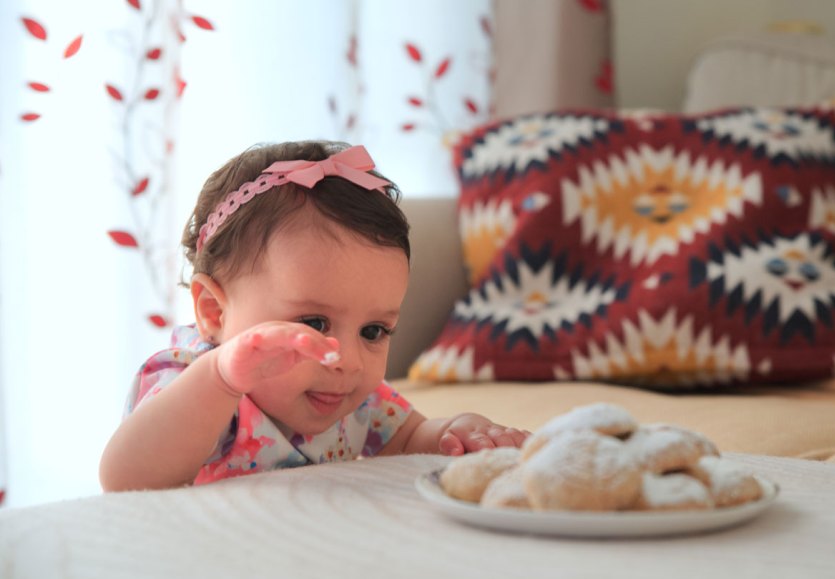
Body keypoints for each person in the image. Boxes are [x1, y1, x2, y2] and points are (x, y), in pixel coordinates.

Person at [99, 141, 529, 491]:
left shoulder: (354, 401)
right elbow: (126, 479)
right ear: (214, 311)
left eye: (373, 330)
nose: (346, 359)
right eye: (315, 324)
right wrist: (221, 378)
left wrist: (457, 431)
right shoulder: (193, 385)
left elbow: (410, 441)